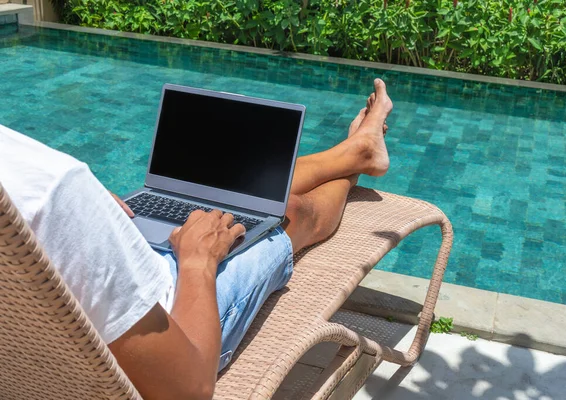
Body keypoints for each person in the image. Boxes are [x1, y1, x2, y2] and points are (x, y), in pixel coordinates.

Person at [0, 79, 393, 400]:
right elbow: (187, 389)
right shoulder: (53, 184)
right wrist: (197, 262)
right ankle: (356, 159)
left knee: (241, 199)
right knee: (290, 213)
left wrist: (87, 213)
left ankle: (353, 152)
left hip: (74, 310)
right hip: (176, 317)